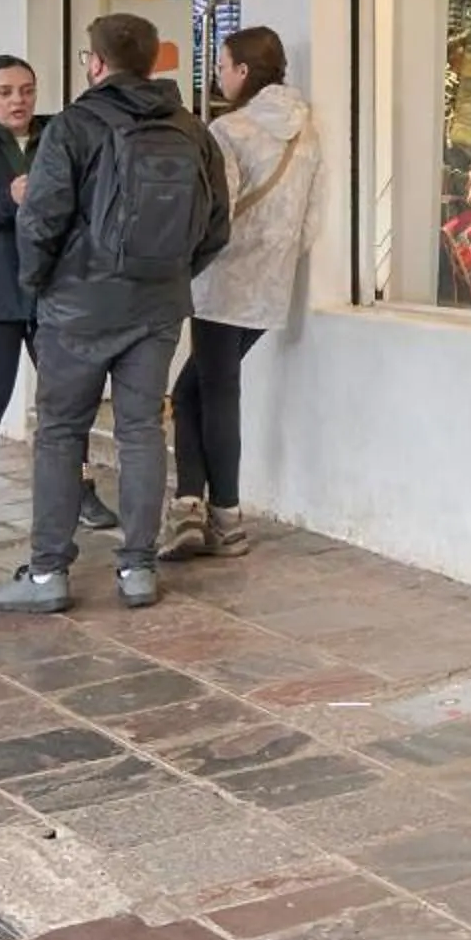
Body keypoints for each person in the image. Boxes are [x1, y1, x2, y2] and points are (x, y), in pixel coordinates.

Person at [0, 15, 228, 614]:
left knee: (60, 433)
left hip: (77, 305)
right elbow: (216, 226)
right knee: (142, 431)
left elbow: (40, 219)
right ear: (154, 61)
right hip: (158, 305)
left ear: (95, 63)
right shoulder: (193, 130)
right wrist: (170, 274)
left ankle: (47, 575)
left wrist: (36, 285)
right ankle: (139, 570)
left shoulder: (73, 126)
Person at [0, 57, 121, 554]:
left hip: (50, 294)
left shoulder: (58, 142)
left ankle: (81, 491)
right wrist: (10, 198)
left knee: (67, 399)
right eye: (5, 91)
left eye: (27, 90)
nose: (17, 100)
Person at [166, 27, 318, 561]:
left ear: (245, 72)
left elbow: (216, 209)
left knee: (211, 392)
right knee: (197, 391)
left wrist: (187, 258)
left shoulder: (228, 129)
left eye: (223, 65)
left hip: (222, 278)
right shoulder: (307, 130)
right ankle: (194, 504)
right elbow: (312, 220)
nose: (217, 75)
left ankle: (219, 515)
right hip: (270, 285)